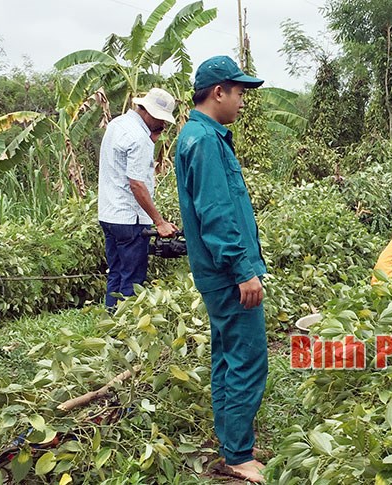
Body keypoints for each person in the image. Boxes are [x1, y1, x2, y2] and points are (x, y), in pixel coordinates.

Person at [174, 55, 268, 483]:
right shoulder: (206, 141)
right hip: (228, 274)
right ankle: (238, 455)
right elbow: (215, 213)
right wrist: (243, 270)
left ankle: (234, 443)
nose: (242, 101)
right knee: (247, 360)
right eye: (240, 93)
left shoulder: (196, 136)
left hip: (216, 272)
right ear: (218, 92)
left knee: (227, 358)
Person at [98, 87, 179, 309]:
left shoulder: (117, 124)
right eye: (160, 120)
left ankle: (111, 323)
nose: (161, 125)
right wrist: (160, 222)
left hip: (109, 214)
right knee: (133, 281)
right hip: (130, 219)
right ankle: (126, 330)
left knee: (116, 273)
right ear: (148, 112)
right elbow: (136, 183)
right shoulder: (139, 137)